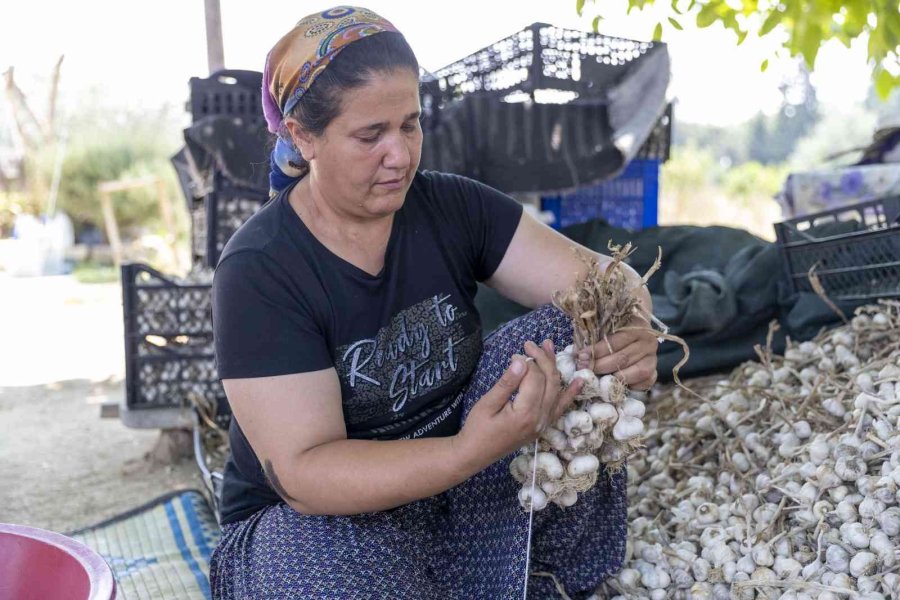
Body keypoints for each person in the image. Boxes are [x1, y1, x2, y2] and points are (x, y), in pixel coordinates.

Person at [209, 6, 658, 599]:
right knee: (320, 567)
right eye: (370, 135)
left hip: (457, 491)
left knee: (568, 330)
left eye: (410, 125)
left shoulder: (452, 207)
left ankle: (539, 577)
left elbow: (607, 282)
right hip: (322, 525)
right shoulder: (261, 269)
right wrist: (465, 452)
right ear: (302, 135)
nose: (399, 155)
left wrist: (632, 327)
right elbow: (305, 475)